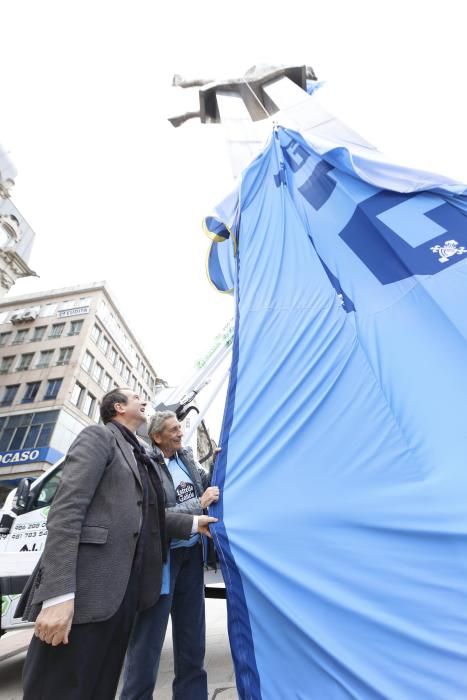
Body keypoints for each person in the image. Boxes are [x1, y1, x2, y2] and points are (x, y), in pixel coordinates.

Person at [16, 389, 217, 700]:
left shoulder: (139, 453)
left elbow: (147, 517)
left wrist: (192, 522)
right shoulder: (99, 437)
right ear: (119, 407)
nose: (145, 400)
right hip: (84, 596)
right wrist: (57, 596)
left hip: (122, 597)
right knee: (59, 688)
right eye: (136, 396)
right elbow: (66, 513)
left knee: (100, 686)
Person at [120, 410, 220, 700]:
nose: (180, 433)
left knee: (192, 640)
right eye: (174, 429)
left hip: (191, 559)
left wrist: (217, 461)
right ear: (157, 437)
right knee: (147, 644)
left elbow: (207, 486)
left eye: (180, 427)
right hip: (161, 562)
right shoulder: (145, 465)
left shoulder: (186, 459)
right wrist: (197, 506)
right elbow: (151, 515)